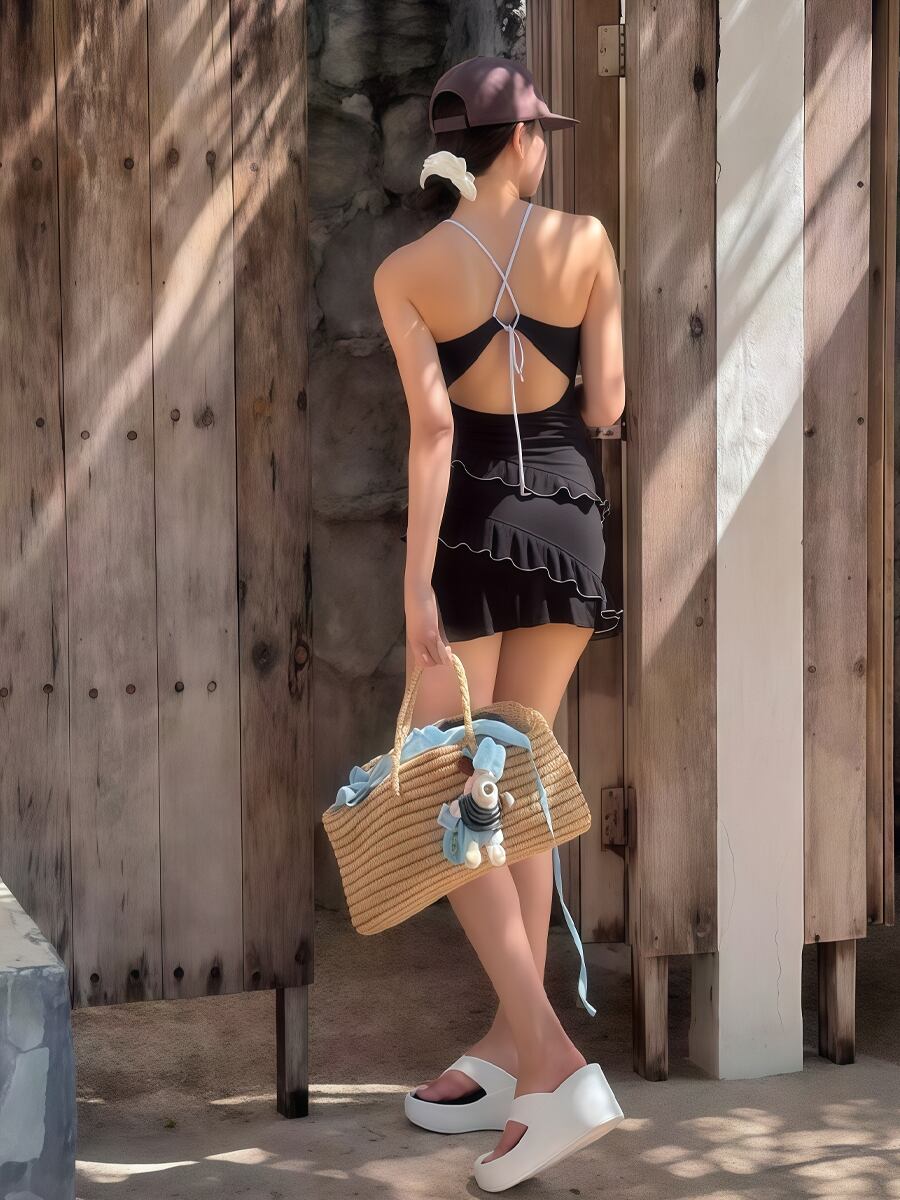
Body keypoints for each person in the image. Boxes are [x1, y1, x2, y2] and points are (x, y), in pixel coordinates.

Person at [372, 54, 626, 1192]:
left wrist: (415, 582)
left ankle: (550, 1061)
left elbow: (435, 434)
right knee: (504, 781)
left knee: (448, 788)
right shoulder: (589, 242)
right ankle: (514, 1047)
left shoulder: (408, 270)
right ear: (518, 140)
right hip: (568, 518)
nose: (544, 145)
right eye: (539, 131)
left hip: (471, 526)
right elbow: (607, 405)